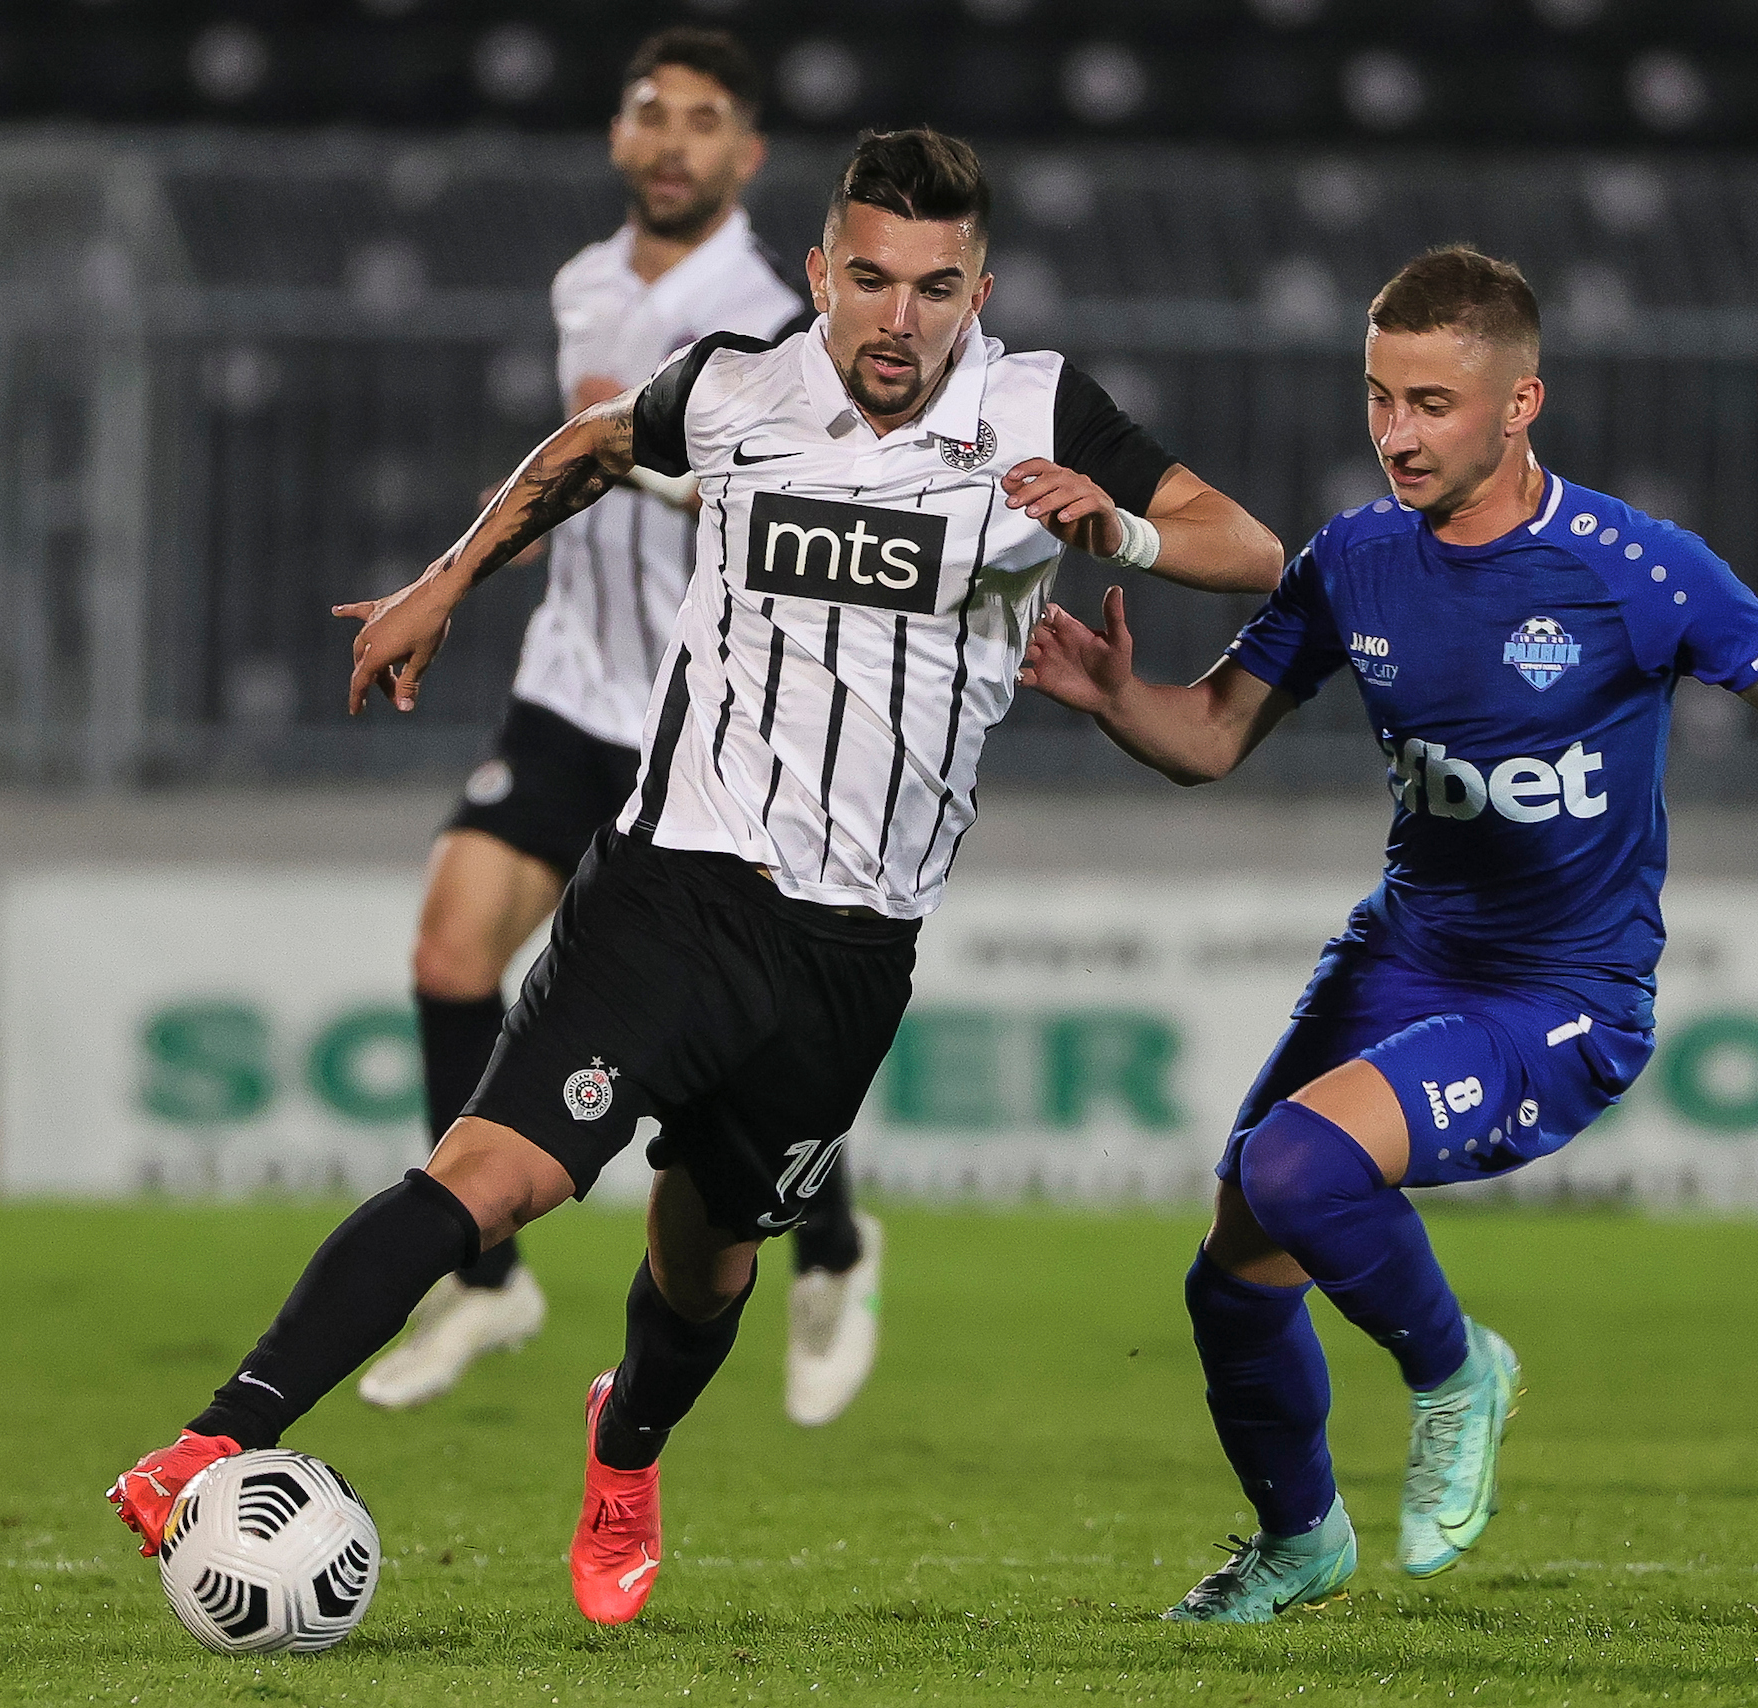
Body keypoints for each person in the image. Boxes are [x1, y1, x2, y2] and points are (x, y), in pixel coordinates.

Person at [107, 128, 1283, 1627]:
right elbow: (592, 444)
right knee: (488, 1178)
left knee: (706, 1265)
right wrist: (442, 582)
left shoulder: (1039, 406)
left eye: (936, 288)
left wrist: (1109, 524)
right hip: (675, 886)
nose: (898, 319)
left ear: (980, 291)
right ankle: (215, 1438)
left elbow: (1247, 548)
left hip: (853, 949)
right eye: (869, 278)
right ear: (821, 274)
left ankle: (625, 1443)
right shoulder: (737, 390)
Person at [1018, 245, 1758, 1623]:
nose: (1395, 432)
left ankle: (1459, 1377)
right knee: (1236, 1263)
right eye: (1380, 396)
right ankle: (1299, 1542)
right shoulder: (1356, 559)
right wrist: (1120, 698)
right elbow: (1210, 739)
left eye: (1432, 402)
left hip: (1566, 994)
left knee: (1303, 1168)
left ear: (1520, 403)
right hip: (1403, 953)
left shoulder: (1637, 572)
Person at [362, 25, 884, 1433]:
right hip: (569, 686)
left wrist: (619, 462)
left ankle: (833, 1246)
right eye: (651, 112)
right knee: (446, 949)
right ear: (617, 136)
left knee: (720, 1043)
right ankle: (489, 1286)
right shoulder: (584, 286)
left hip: (703, 718)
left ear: (747, 155)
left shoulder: (777, 312)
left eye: (703, 120)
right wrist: (535, 515)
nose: (671, 140)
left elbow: (773, 503)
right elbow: (587, 455)